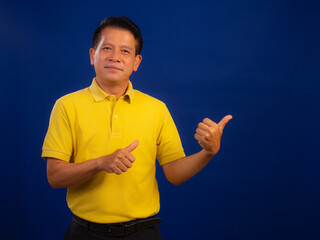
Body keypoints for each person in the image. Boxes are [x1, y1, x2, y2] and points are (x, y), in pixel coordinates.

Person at [42, 16, 232, 240]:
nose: (115, 57)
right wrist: (100, 163)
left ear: (136, 62)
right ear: (93, 55)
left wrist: (208, 152)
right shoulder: (66, 106)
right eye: (107, 48)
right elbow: (55, 177)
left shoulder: (156, 109)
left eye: (125, 51)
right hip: (85, 232)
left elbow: (174, 174)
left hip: (142, 233)